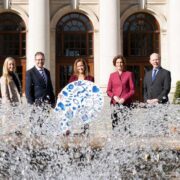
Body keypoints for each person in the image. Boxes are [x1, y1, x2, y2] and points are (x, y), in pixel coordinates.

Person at [107, 55, 135, 128]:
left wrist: (124, 98)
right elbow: (108, 90)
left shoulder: (129, 74)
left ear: (123, 63)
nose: (119, 64)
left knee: (126, 125)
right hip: (114, 103)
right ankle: (115, 138)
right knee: (115, 124)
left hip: (126, 103)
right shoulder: (112, 75)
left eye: (121, 62)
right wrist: (114, 96)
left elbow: (132, 90)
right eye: (117, 62)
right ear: (115, 64)